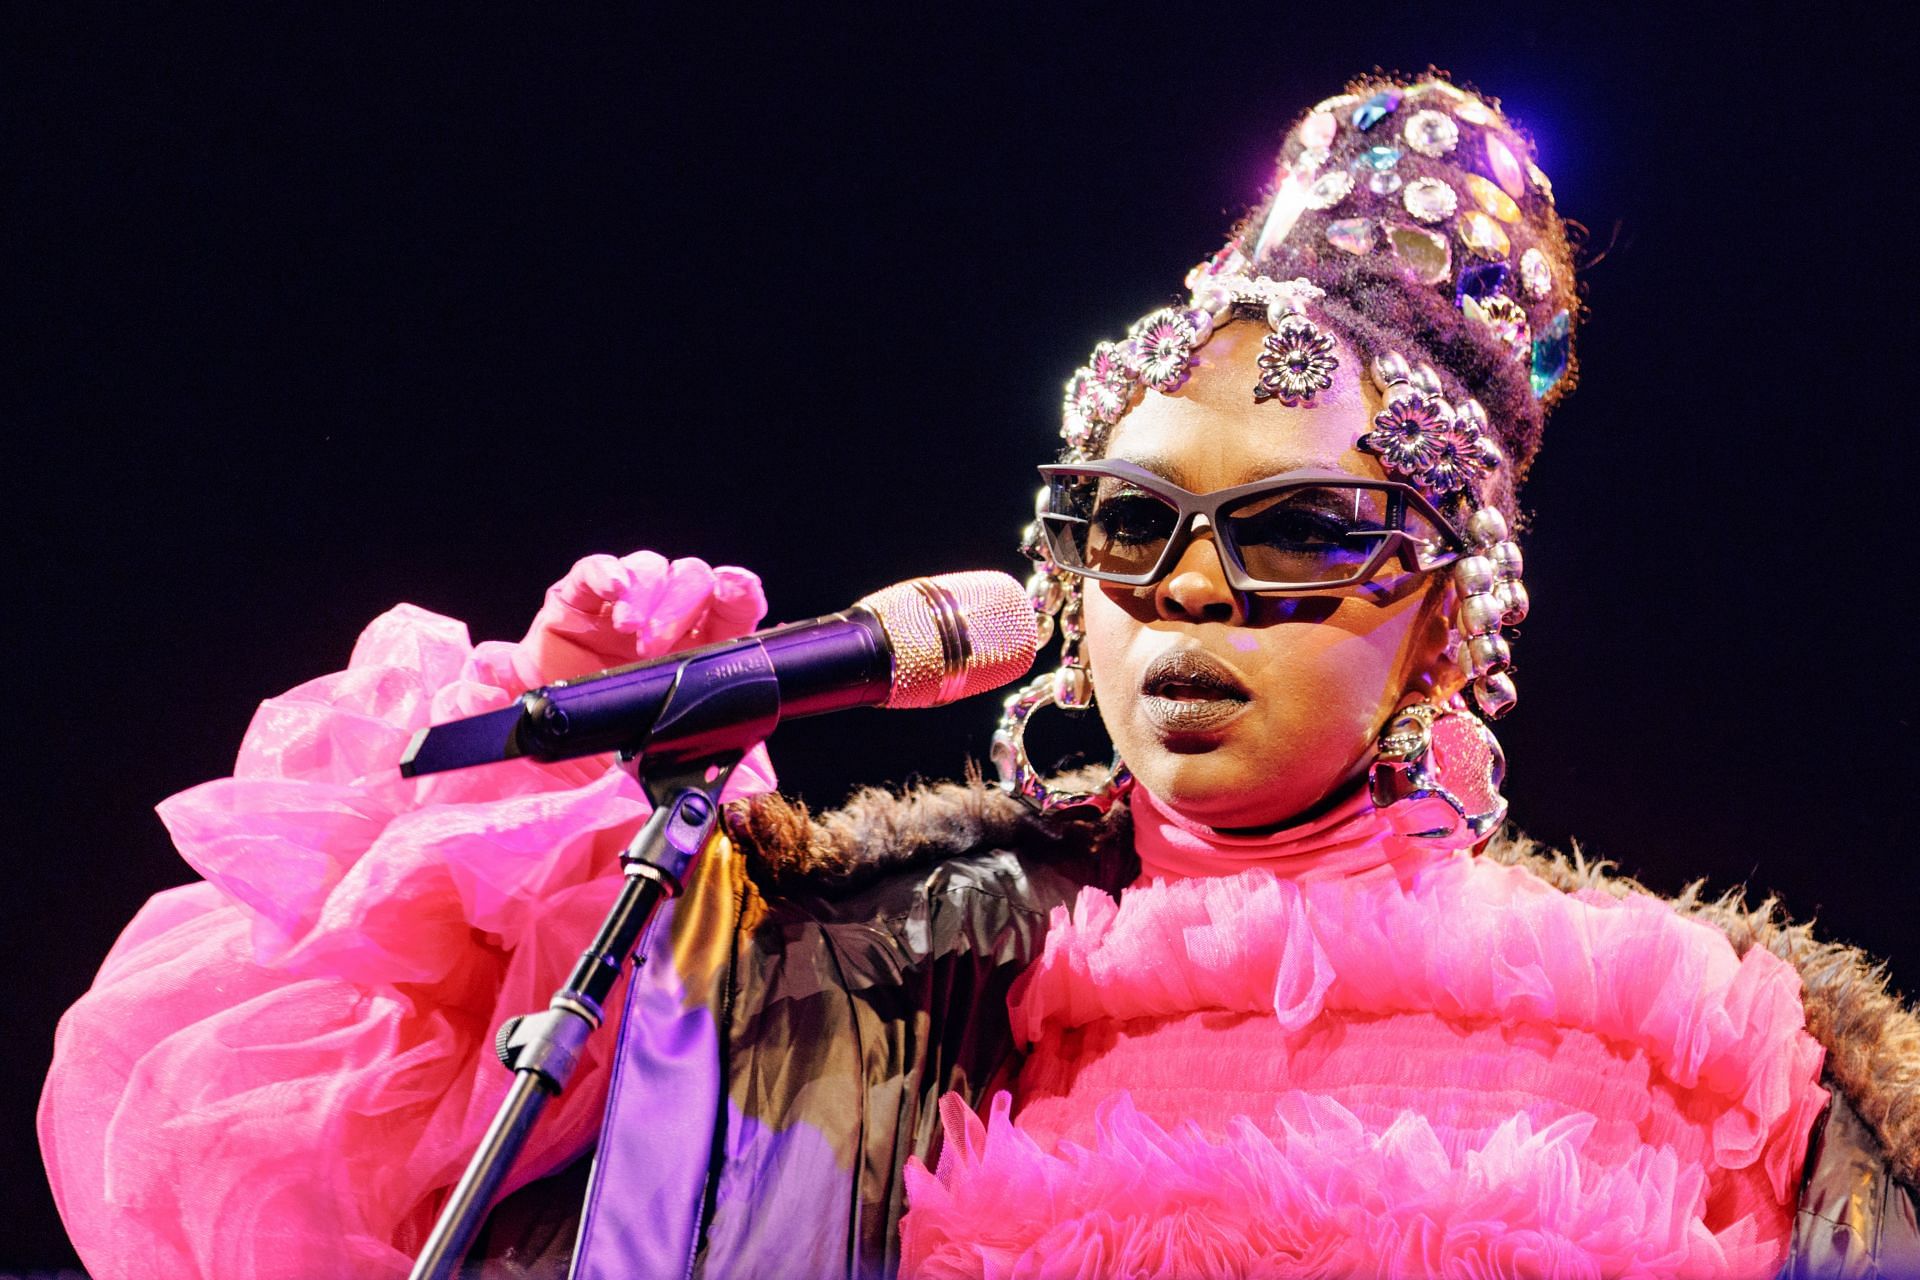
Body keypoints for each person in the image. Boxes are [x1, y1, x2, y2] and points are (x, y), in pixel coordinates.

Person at [40, 72, 1920, 1279]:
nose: (1192, 597)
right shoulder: (864, 974)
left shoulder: (1703, 1046)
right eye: (1129, 527)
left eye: (1295, 538)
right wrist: (597, 780)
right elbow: (276, 1159)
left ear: (1444, 611)